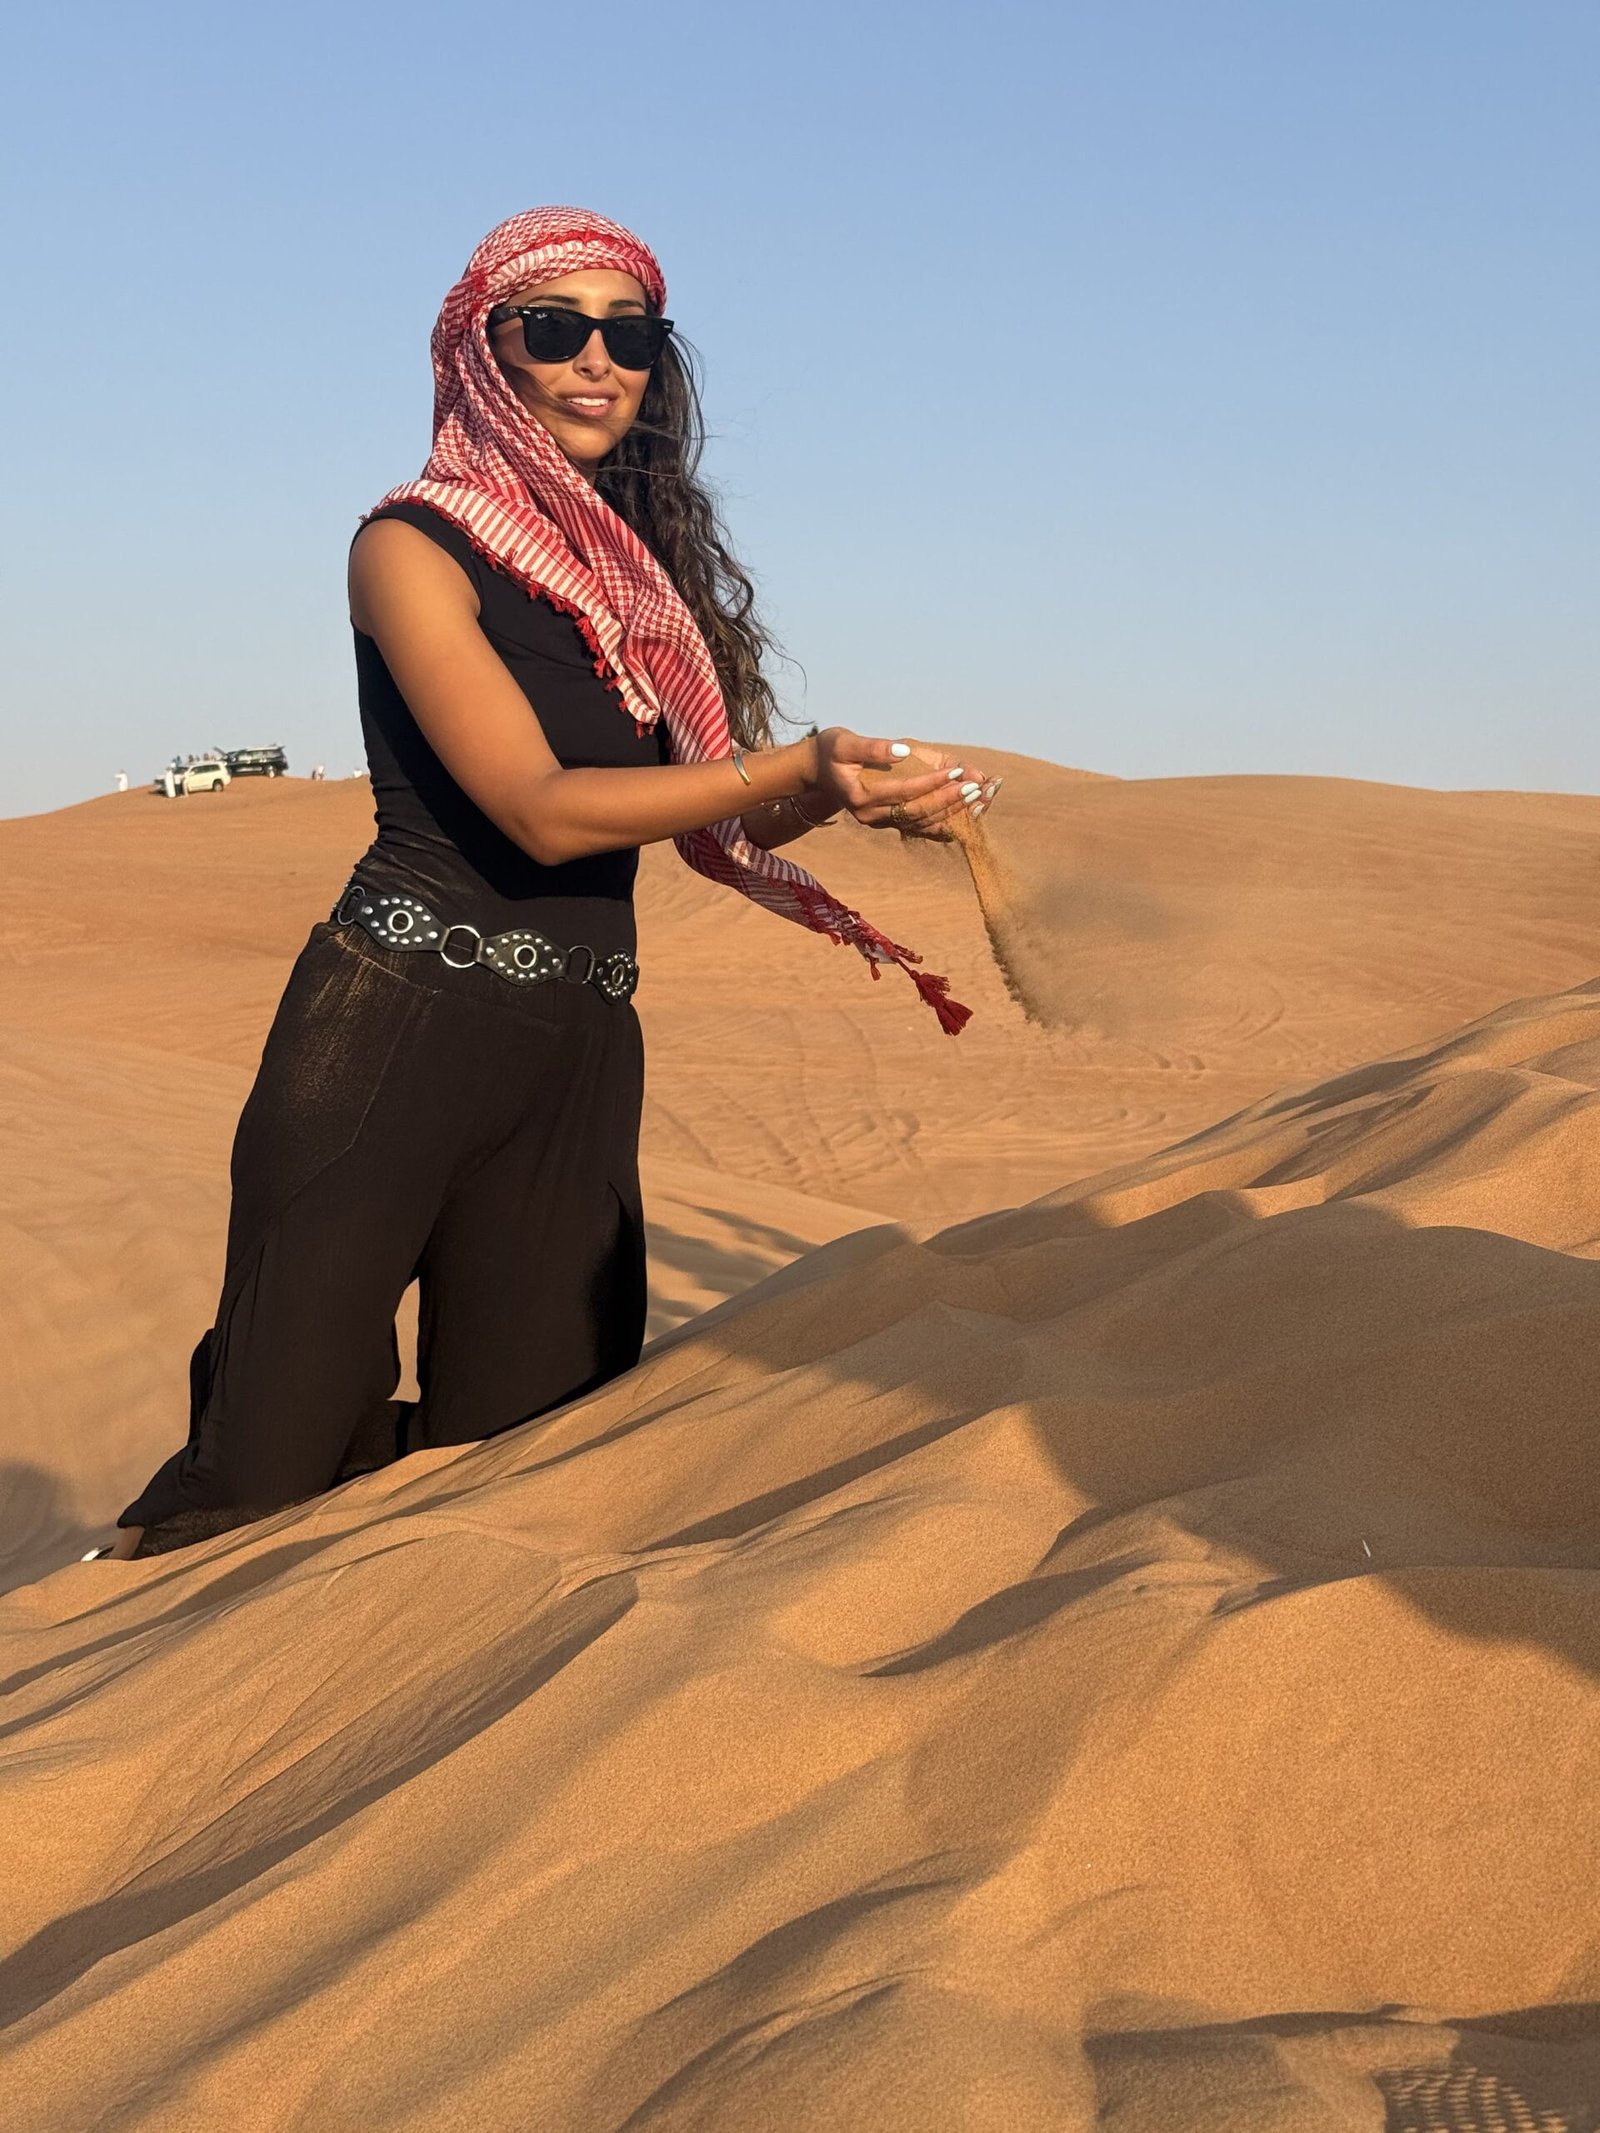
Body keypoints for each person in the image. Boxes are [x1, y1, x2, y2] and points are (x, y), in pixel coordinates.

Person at [92, 206, 997, 1560]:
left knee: (534, 1475)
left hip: (576, 1053)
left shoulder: (629, 592)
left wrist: (851, 794)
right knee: (265, 1467)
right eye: (553, 327)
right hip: (391, 1031)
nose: (598, 360)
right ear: (481, 349)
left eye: (629, 333)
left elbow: (697, 815)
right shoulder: (408, 546)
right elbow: (541, 808)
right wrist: (787, 765)